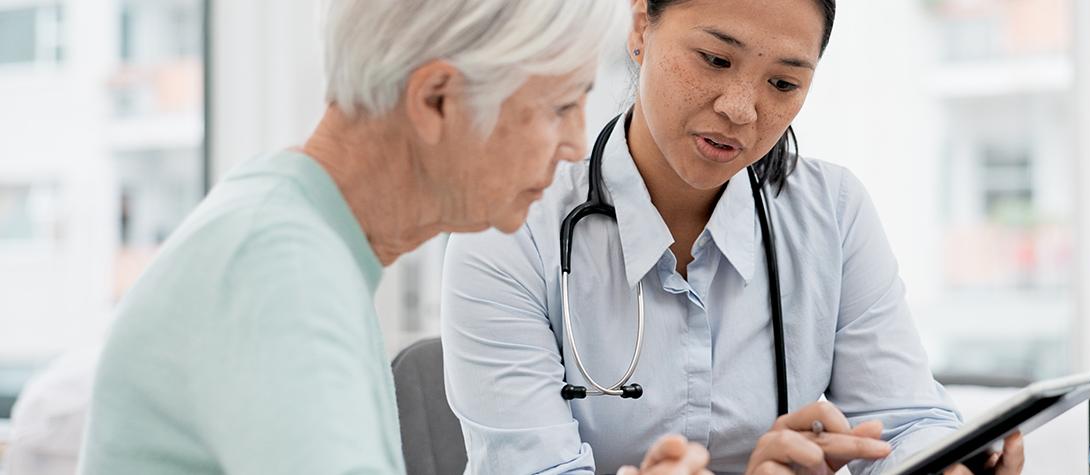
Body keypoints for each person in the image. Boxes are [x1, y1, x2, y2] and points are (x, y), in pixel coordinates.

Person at [77, 1, 709, 473]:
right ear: (436, 100)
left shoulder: (291, 234)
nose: (577, 143)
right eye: (557, 107)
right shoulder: (277, 272)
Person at [440, 0, 1025, 474]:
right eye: (715, 60)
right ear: (640, 25)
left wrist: (947, 460)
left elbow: (903, 420)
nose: (742, 110)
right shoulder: (510, 228)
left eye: (783, 83)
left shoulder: (832, 212)